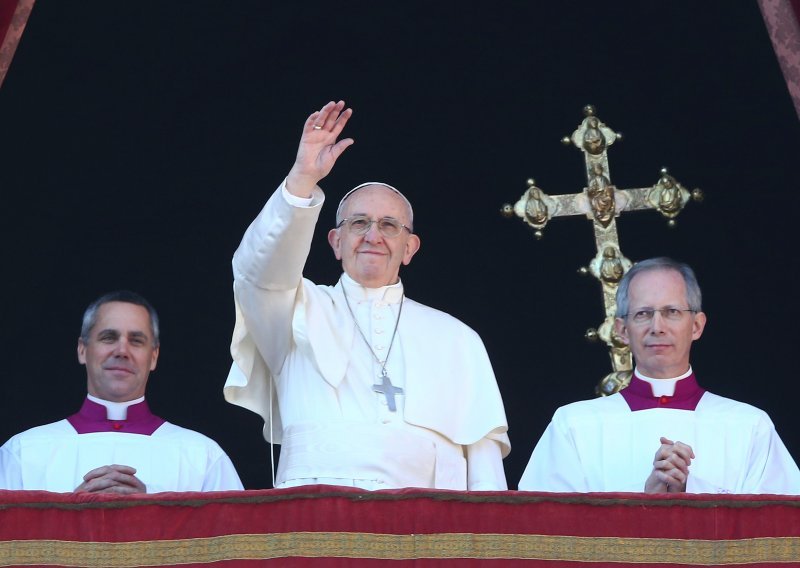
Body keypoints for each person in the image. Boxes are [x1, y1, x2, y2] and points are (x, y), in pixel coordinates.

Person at [223, 100, 510, 490]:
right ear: (336, 241)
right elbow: (256, 271)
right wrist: (303, 177)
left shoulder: (458, 339)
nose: (373, 236)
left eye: (389, 225)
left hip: (426, 534)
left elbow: (485, 471)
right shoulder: (292, 311)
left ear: (410, 248)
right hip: (316, 523)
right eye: (359, 223)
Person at [519, 257, 800, 494]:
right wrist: (644, 503)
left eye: (672, 312)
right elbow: (544, 536)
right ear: (622, 330)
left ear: (697, 326)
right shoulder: (573, 426)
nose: (657, 326)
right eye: (642, 314)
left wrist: (691, 492)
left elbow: (779, 533)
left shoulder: (749, 426)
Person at [0, 291, 243, 494]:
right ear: (83, 350)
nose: (122, 350)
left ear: (154, 356)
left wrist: (152, 516)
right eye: (108, 337)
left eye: (136, 340)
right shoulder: (23, 452)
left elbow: (233, 548)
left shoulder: (203, 457)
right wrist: (68, 515)